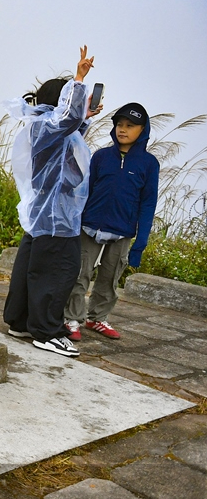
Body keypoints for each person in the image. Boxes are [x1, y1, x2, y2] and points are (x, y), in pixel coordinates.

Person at [2, 46, 103, 358]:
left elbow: (67, 133)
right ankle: (46, 332)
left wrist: (83, 117)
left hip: (42, 213)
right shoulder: (49, 124)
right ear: (62, 101)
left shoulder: (43, 125)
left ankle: (20, 321)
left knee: (31, 266)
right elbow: (67, 120)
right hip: (56, 216)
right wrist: (79, 78)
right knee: (58, 269)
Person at [64, 103, 159, 341]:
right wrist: (75, 221)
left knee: (109, 277)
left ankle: (97, 318)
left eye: (130, 125)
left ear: (143, 129)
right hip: (90, 225)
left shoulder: (149, 164)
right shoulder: (101, 156)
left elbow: (148, 203)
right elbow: (85, 190)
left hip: (122, 230)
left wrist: (140, 243)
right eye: (119, 124)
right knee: (80, 273)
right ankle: (71, 318)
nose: (123, 130)